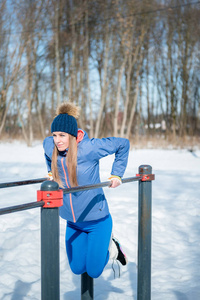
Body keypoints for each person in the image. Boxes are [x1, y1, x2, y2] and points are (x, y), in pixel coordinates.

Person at [43, 102, 130, 279]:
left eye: (62, 135)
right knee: (76, 268)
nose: (57, 140)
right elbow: (47, 153)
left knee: (94, 271)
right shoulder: (49, 146)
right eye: (54, 135)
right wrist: (51, 172)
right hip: (73, 222)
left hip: (97, 221)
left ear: (73, 135)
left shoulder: (89, 148)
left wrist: (116, 174)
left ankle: (112, 249)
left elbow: (123, 144)